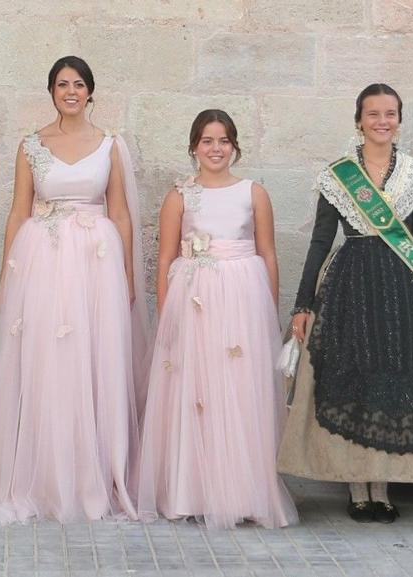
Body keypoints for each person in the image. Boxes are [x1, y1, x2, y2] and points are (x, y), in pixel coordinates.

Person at [0, 56, 145, 524]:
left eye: (79, 84)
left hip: (97, 260)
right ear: (51, 91)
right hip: (43, 259)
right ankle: (41, 476)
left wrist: (127, 273)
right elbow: (17, 210)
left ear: (91, 92)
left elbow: (122, 213)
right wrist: (9, 273)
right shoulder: (31, 145)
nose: (71, 91)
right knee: (46, 360)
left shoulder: (110, 146)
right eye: (62, 84)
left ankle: (94, 476)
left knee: (93, 361)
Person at [277, 84, 413, 524]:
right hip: (350, 286)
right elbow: (321, 241)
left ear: (399, 120)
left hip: (404, 287)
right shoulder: (338, 175)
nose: (382, 121)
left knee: (392, 380)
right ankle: (358, 487)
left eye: (390, 113)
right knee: (353, 377)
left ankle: (383, 486)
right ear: (359, 120)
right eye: (373, 114)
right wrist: (303, 303)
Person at [133, 110, 296, 529]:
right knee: (197, 391)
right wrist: (169, 315)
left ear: (235, 146)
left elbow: (268, 253)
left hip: (241, 300)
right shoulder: (180, 196)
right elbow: (167, 258)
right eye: (207, 141)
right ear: (194, 147)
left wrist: (268, 308)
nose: (216, 148)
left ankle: (242, 492)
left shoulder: (253, 193)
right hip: (195, 301)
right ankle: (194, 491)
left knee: (239, 393)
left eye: (223, 141)